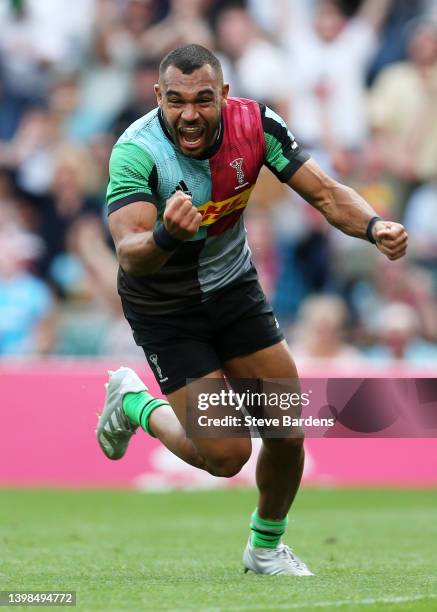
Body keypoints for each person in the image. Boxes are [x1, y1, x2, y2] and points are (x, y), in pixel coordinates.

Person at [96, 44, 407, 576]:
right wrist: (168, 233)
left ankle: (266, 548)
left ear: (224, 95)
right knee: (227, 455)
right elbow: (131, 254)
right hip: (165, 308)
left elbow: (328, 194)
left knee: (287, 430)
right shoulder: (137, 151)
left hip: (234, 290)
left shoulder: (256, 125)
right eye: (175, 101)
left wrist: (374, 226)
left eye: (202, 100)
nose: (189, 114)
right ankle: (134, 405)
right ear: (157, 97)